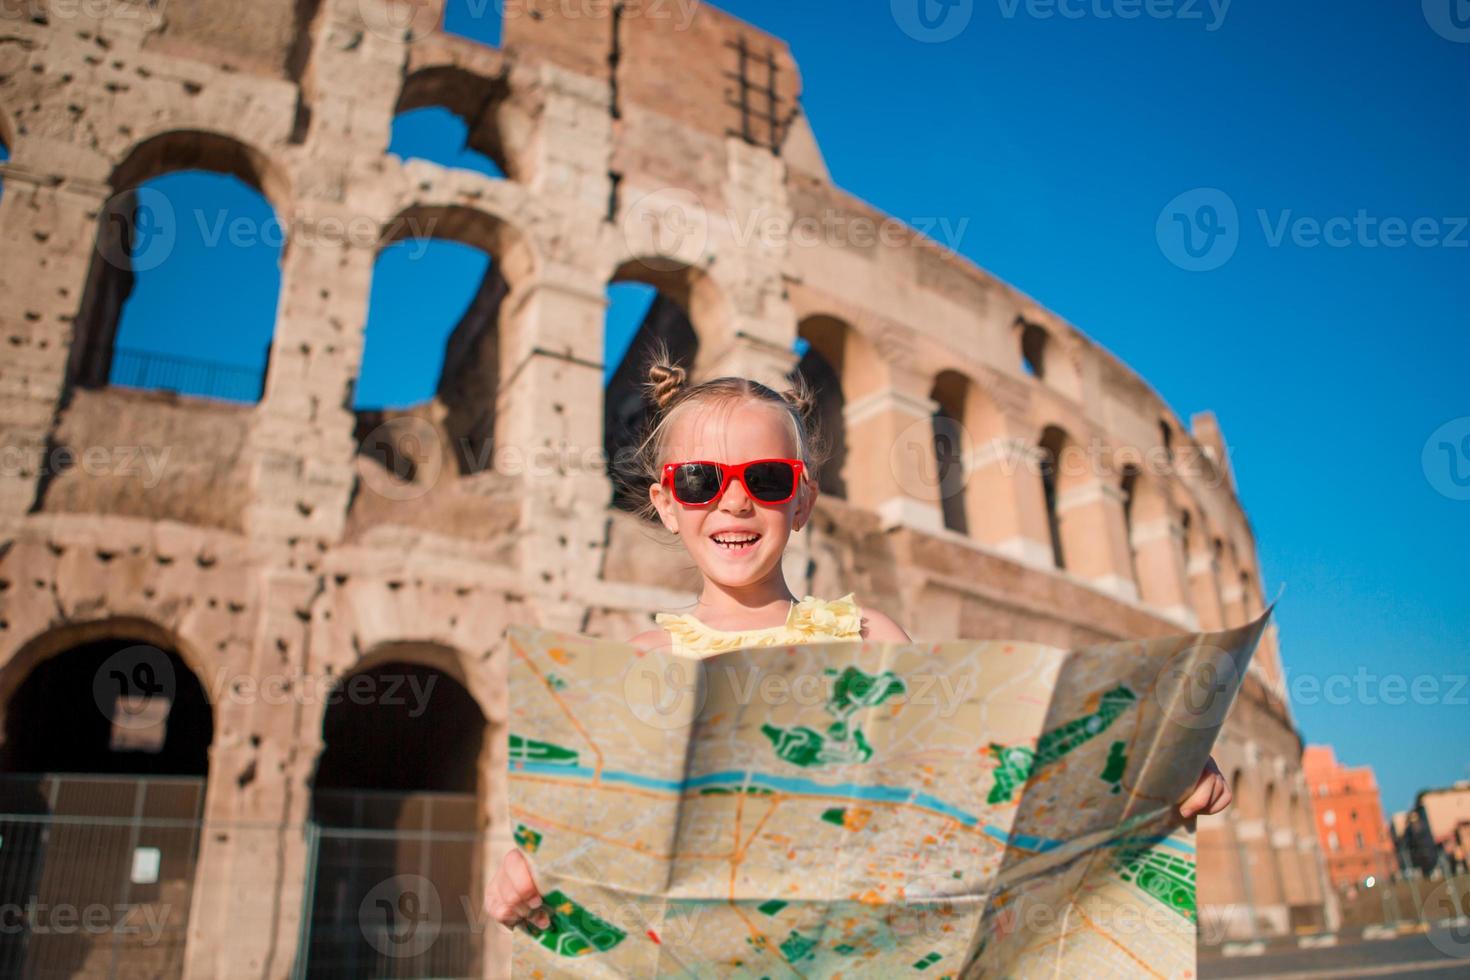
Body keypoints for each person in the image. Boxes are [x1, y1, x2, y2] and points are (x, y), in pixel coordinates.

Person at [489, 357, 1231, 933]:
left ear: (803, 499)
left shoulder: (869, 637)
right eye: (700, 480)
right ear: (667, 502)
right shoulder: (638, 662)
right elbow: (598, 840)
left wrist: (1151, 777)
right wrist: (529, 873)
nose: (735, 500)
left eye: (768, 478)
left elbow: (981, 785)